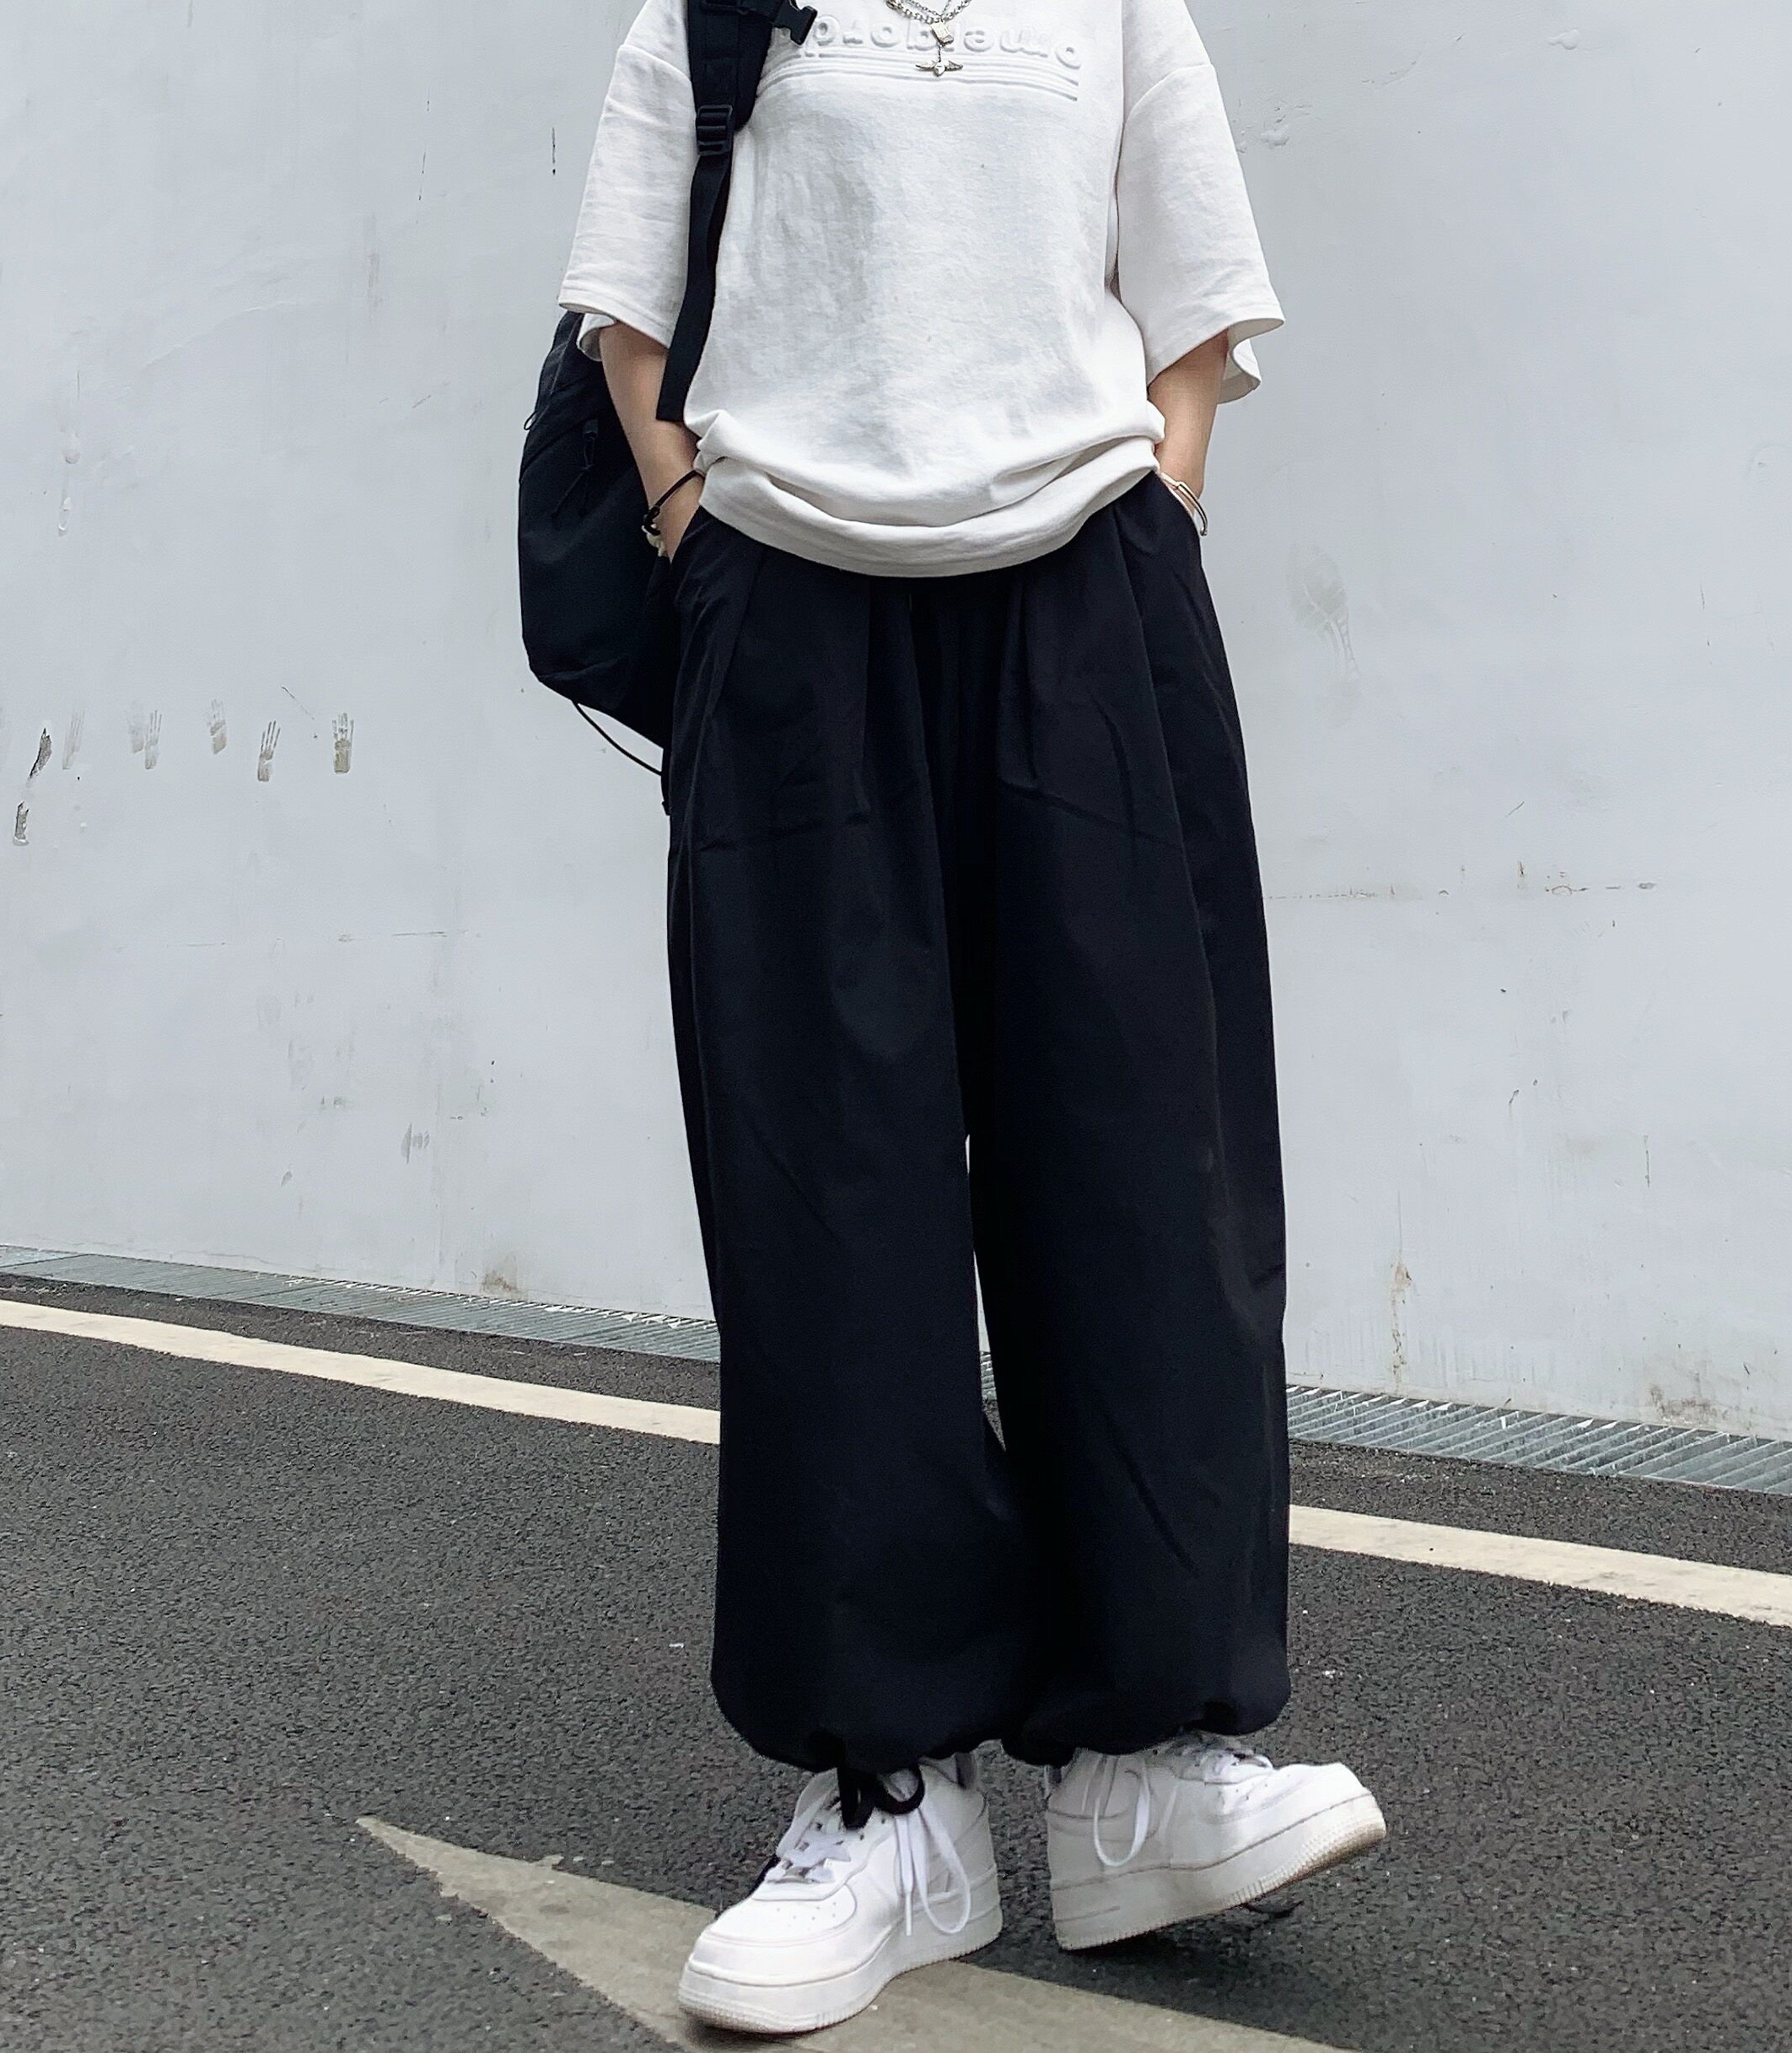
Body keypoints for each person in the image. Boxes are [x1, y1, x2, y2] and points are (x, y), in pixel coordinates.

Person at [558, 0, 1384, 2031]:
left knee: (1141, 1162)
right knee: (825, 1193)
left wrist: (1162, 496)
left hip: (1086, 597)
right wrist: (684, 513)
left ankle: (1146, 1766)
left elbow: (1196, 295)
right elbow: (625, 312)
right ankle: (888, 1792)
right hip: (786, 603)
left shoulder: (1113, 8)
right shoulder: (709, 12)